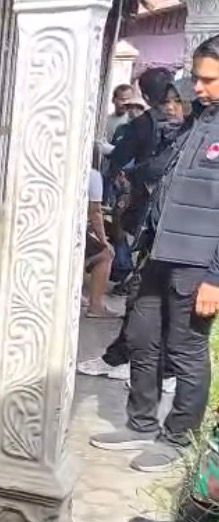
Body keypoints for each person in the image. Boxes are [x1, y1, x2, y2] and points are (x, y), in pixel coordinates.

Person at [90, 37, 219, 474]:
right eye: (196, 78)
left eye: (208, 80)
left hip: (198, 263)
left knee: (186, 350)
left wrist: (215, 278)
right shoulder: (198, 121)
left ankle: (177, 436)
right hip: (159, 251)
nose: (196, 87)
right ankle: (141, 423)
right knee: (142, 336)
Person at [79, 68, 188, 382]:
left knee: (155, 300)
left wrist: (130, 177)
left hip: (171, 229)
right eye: (168, 102)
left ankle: (147, 366)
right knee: (146, 297)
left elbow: (149, 169)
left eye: (176, 103)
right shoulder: (170, 130)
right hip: (156, 223)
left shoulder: (188, 135)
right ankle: (129, 359)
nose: (171, 109)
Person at [84, 167, 119, 318]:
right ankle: (96, 305)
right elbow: (95, 212)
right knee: (106, 254)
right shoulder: (93, 176)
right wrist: (104, 241)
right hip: (71, 230)